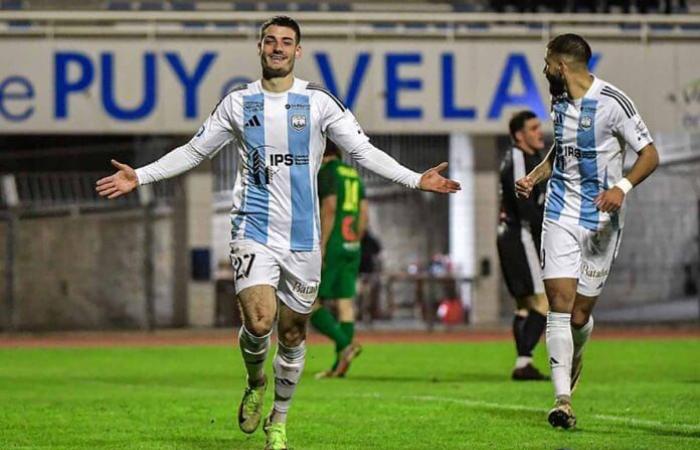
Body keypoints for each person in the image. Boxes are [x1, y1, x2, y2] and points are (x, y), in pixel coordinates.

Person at [95, 16, 460, 450]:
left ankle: (279, 422)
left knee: (292, 333)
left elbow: (362, 150)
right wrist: (141, 175)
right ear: (260, 47)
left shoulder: (319, 102)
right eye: (270, 41)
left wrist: (414, 179)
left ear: (298, 51)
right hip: (252, 227)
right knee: (259, 320)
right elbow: (195, 150)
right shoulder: (237, 103)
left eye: (287, 42)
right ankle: (255, 379)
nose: (278, 48)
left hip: (304, 238)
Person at [516, 33, 658, 429]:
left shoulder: (614, 103)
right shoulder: (558, 100)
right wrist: (536, 177)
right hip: (560, 211)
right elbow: (561, 152)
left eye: (547, 62)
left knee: (579, 314)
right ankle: (563, 400)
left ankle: (575, 354)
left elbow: (650, 154)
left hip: (601, 220)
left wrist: (622, 187)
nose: (544, 69)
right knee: (559, 304)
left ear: (561, 65)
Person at [497, 110, 549, 381]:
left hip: (512, 235)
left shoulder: (528, 156)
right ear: (519, 135)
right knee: (544, 302)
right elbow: (523, 197)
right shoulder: (518, 156)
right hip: (520, 235)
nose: (539, 132)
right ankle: (523, 361)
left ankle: (523, 363)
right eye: (533, 128)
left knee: (524, 305)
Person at [310, 141, 366, 379]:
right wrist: (356, 241)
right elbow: (363, 213)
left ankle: (345, 344)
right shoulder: (353, 174)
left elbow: (330, 207)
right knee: (345, 303)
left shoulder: (327, 173)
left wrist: (321, 245)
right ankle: (338, 365)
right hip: (351, 244)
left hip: (332, 244)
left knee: (309, 302)